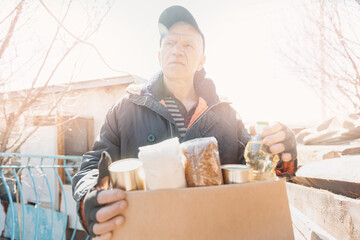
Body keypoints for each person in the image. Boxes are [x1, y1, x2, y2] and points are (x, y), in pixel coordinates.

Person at [72, 5, 297, 240]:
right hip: (144, 231)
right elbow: (93, 163)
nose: (177, 50)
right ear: (159, 56)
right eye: (169, 43)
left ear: (201, 60)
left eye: (188, 44)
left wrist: (283, 158)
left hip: (216, 232)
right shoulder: (126, 108)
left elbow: (262, 172)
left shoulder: (227, 114)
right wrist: (88, 200)